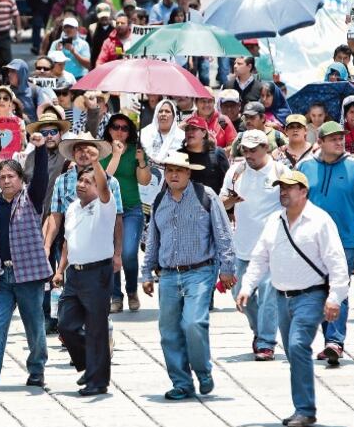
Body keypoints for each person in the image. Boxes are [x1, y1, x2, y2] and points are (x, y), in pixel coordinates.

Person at [238, 170, 348, 427]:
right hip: (281, 297)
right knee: (292, 352)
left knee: (298, 346)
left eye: (289, 187)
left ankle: (305, 410)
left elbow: (336, 261)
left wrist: (335, 298)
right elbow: (260, 257)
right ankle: (303, 405)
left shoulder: (320, 221)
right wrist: (247, 287)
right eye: (281, 187)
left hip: (311, 295)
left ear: (304, 191)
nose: (283, 192)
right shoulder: (274, 221)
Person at [141, 152, 235, 401]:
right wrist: (146, 272)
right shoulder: (160, 198)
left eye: (179, 170)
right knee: (169, 331)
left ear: (189, 173)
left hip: (201, 271)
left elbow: (223, 233)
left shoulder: (206, 196)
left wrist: (227, 268)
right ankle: (181, 383)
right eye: (170, 170)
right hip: (169, 274)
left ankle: (203, 371)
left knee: (193, 323)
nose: (173, 174)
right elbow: (153, 239)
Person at [0, 132, 52, 393]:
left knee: (34, 325)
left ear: (20, 179)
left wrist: (39, 150)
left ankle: (36, 370)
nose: (5, 181)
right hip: (0, 275)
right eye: (2, 177)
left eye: (11, 177)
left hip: (27, 275)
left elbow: (41, 179)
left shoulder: (30, 198)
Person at [298, 121, 354, 365]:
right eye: (332, 138)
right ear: (320, 142)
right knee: (315, 290)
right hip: (309, 242)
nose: (339, 141)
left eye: (341, 137)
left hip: (343, 241)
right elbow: (293, 201)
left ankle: (335, 341)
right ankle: (327, 339)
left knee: (339, 289)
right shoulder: (304, 166)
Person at [222, 131, 291, 361]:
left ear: (266, 147)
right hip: (242, 246)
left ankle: (266, 342)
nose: (249, 154)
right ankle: (259, 331)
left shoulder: (281, 171)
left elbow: (294, 202)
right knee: (241, 294)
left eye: (253, 150)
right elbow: (221, 204)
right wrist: (231, 200)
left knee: (270, 295)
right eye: (245, 150)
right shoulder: (235, 172)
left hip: (273, 247)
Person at [54, 154, 116, 396]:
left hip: (97, 273)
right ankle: (91, 365)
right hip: (74, 275)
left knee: (96, 328)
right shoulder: (71, 208)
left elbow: (103, 186)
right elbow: (69, 241)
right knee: (66, 325)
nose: (81, 184)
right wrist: (60, 269)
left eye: (88, 182)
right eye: (80, 180)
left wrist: (97, 162)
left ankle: (98, 381)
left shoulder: (105, 205)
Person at [101, 114, 150, 313]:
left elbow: (144, 181)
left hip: (131, 208)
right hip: (107, 210)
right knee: (112, 254)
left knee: (129, 253)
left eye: (124, 128)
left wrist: (141, 162)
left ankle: (131, 290)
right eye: (115, 127)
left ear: (130, 132)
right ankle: (115, 295)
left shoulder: (136, 151)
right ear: (108, 129)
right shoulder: (102, 150)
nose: (119, 131)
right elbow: (105, 178)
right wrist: (116, 155)